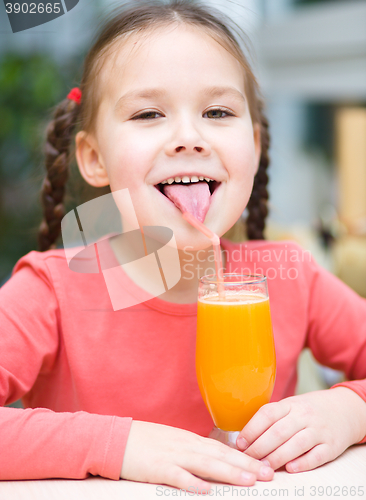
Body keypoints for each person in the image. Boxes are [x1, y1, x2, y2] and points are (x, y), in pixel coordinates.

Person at [0, 0, 365, 492]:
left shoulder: (289, 275)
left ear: (254, 147)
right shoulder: (50, 292)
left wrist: (349, 410)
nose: (189, 137)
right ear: (93, 157)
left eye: (217, 111)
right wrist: (121, 445)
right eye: (149, 113)